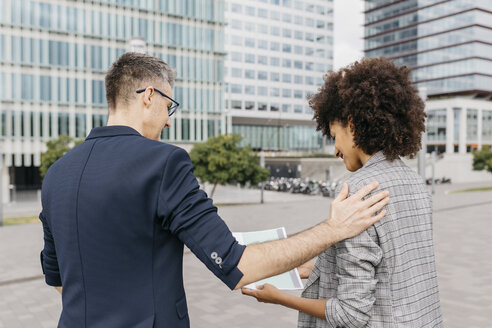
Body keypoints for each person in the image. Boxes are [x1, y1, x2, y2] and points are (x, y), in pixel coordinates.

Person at [39, 52, 389, 328]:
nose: (169, 120)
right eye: (168, 106)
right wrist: (333, 229)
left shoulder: (56, 174)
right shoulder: (163, 162)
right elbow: (238, 267)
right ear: (148, 96)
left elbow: (58, 281)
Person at [243, 57, 443, 327]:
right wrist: (309, 269)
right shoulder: (416, 183)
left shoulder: (360, 190)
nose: (335, 150)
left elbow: (351, 313)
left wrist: (280, 298)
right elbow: (385, 270)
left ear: (351, 124)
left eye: (334, 135)